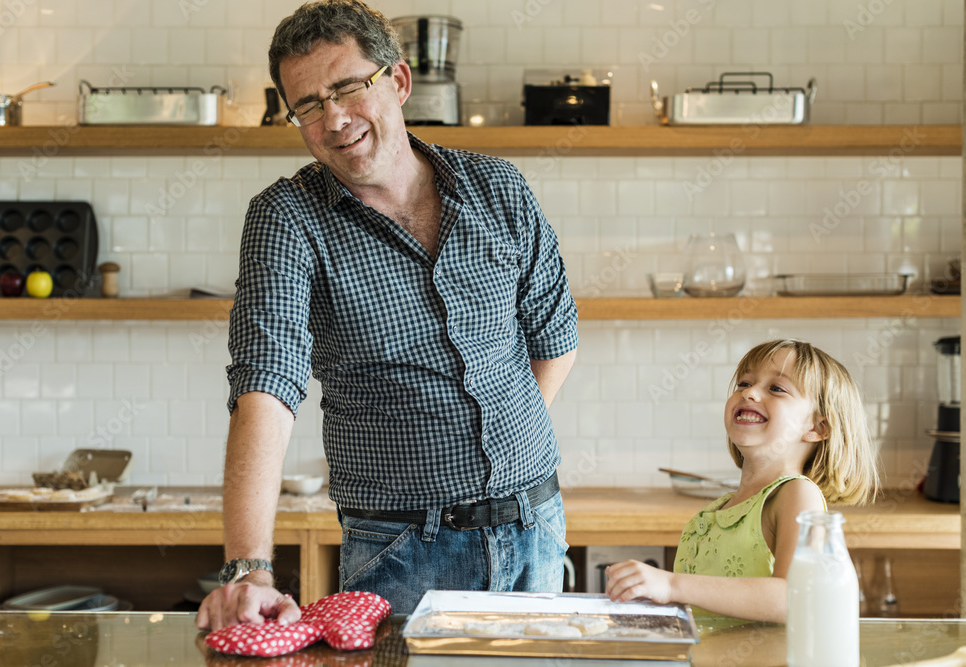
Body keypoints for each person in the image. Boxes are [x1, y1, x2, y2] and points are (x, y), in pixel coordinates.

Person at [196, 0, 578, 631]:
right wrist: (247, 568)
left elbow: (554, 340)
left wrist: (495, 460)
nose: (334, 118)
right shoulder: (286, 219)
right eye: (308, 104)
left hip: (535, 528)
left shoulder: (498, 189)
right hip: (402, 550)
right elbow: (266, 385)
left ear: (398, 82)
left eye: (347, 87)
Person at [606, 339, 878, 623]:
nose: (750, 393)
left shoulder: (797, 494)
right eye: (744, 383)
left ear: (817, 427)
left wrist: (671, 585)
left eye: (776, 388)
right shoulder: (725, 506)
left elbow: (794, 598)